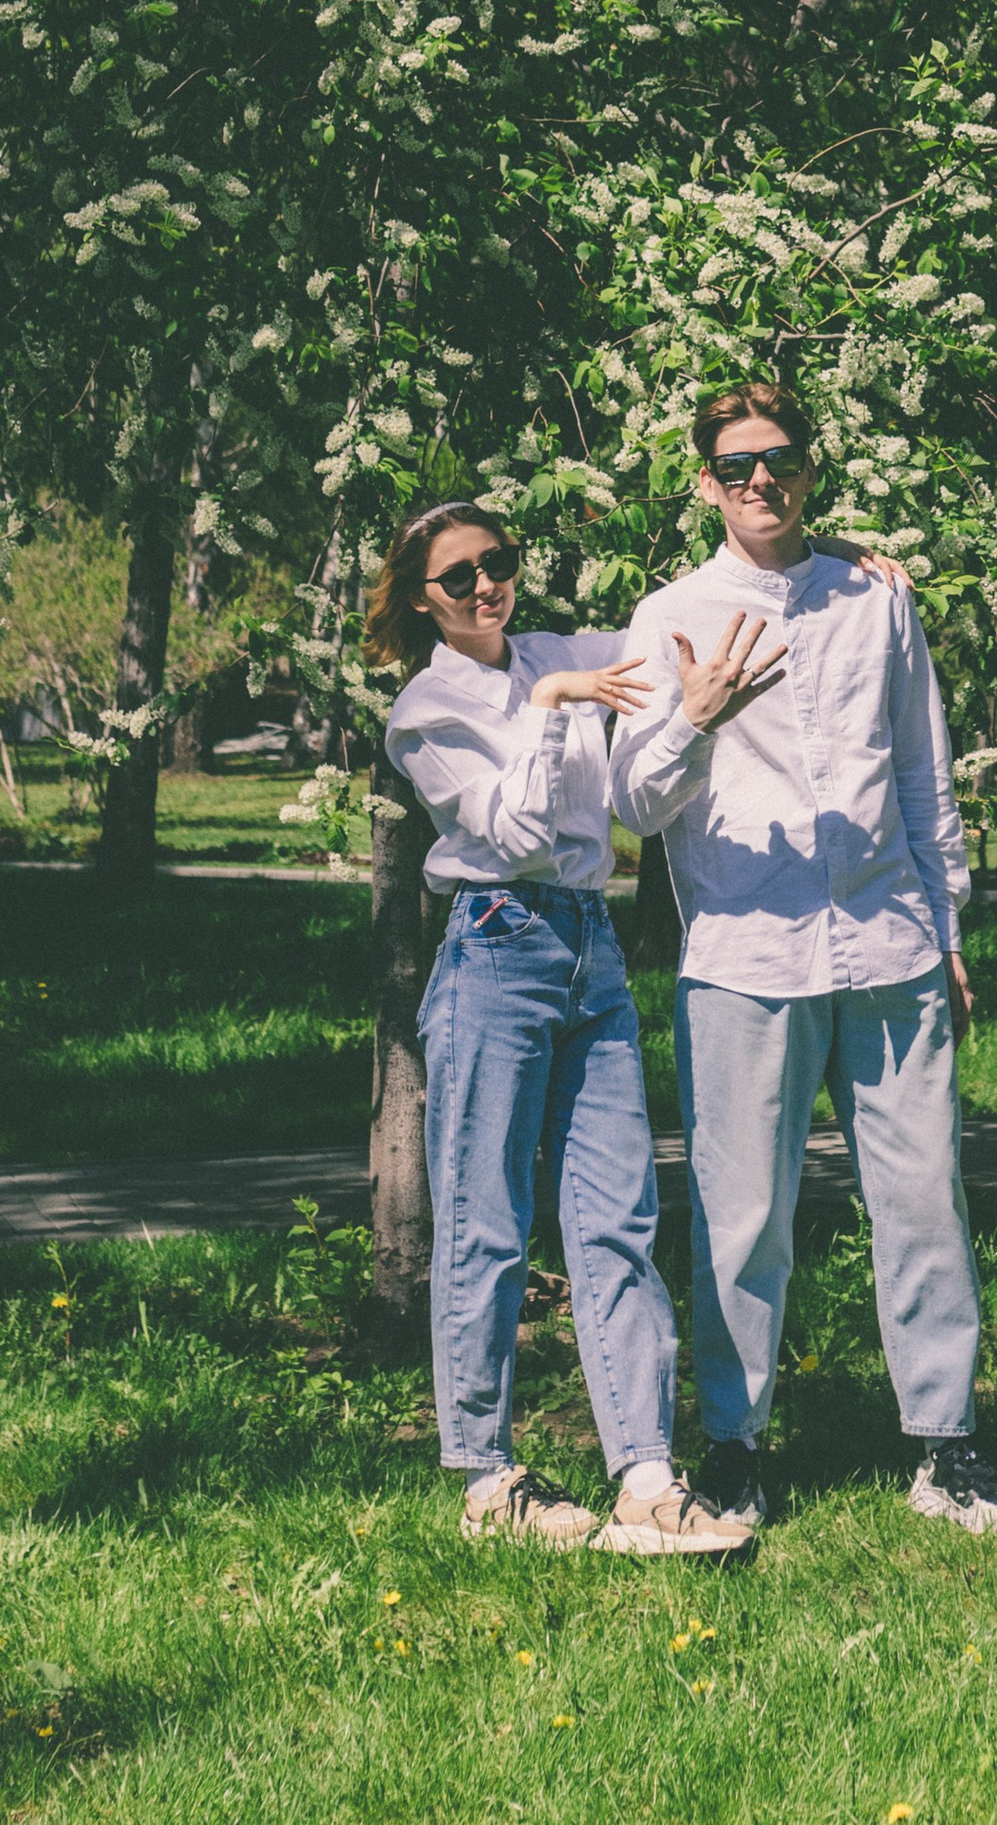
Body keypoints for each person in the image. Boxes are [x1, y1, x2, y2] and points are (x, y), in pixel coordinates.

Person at [609, 383, 997, 1538]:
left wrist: (946, 930)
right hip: (745, 956)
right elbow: (635, 804)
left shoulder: (874, 599)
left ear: (808, 471)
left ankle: (948, 1448)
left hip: (890, 945)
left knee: (925, 1199)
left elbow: (923, 777)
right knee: (742, 1220)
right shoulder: (669, 615)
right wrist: (692, 715)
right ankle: (735, 1450)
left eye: (780, 461)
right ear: (704, 483)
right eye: (737, 467)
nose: (760, 482)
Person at [372, 495, 752, 1557]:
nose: (486, 585)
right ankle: (489, 1479)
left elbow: (674, 630)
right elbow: (517, 828)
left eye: (497, 561)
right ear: (420, 599)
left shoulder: (557, 647)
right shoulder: (424, 714)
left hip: (589, 949)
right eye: (458, 576)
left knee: (618, 1218)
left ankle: (644, 1474)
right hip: (494, 950)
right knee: (486, 1220)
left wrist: (825, 559)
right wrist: (547, 704)